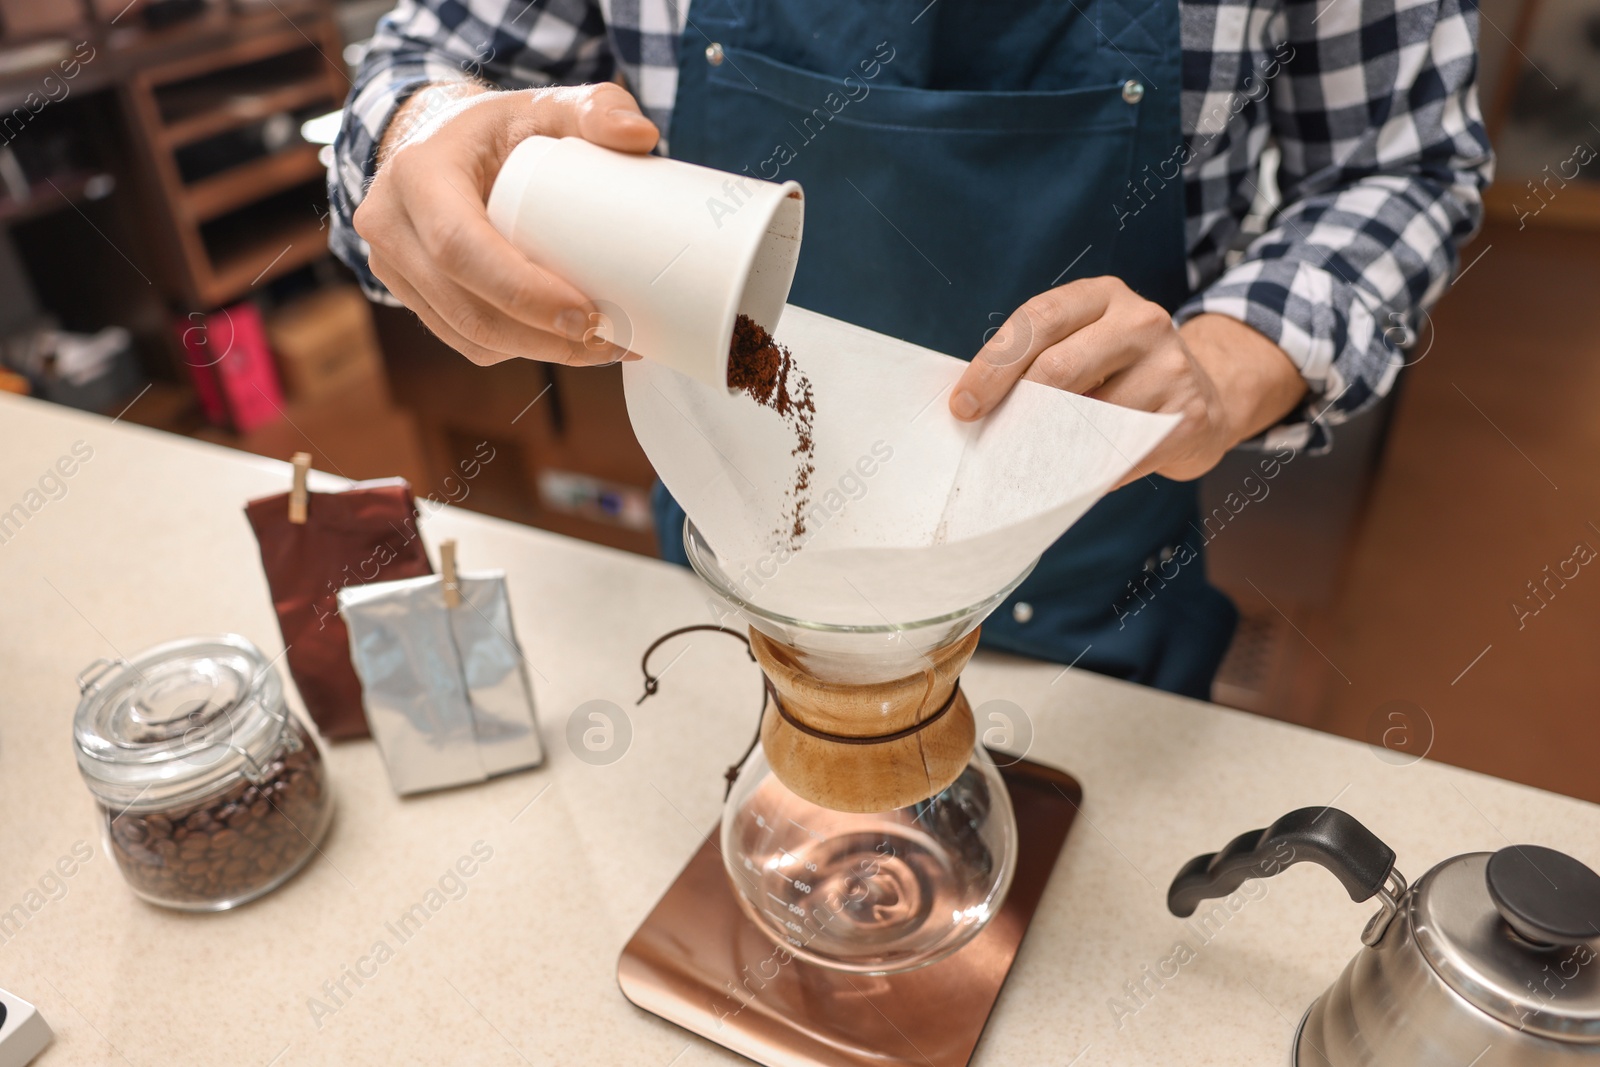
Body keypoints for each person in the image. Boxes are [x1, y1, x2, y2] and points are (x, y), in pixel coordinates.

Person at [330, 0, 1492, 699]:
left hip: (1088, 613)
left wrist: (1228, 362)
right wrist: (423, 144)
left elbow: (1403, 162)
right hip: (735, 601)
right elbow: (417, 69)